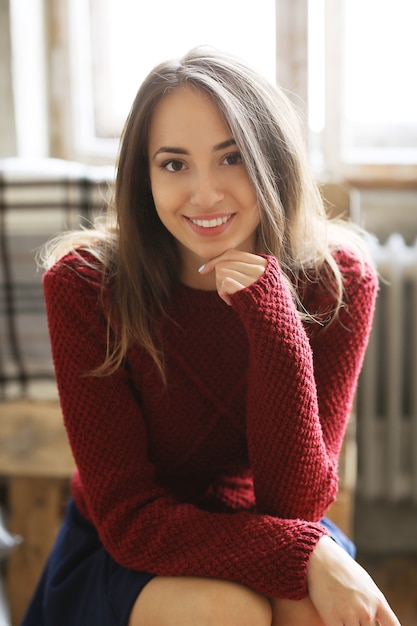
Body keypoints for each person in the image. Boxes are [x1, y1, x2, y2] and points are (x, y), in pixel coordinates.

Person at [22, 47, 400, 626]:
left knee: (313, 615)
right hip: (129, 545)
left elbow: (295, 504)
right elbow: (128, 518)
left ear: (272, 160)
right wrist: (309, 552)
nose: (205, 195)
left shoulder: (335, 280)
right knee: (227, 611)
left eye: (232, 158)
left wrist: (272, 318)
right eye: (174, 164)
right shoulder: (85, 285)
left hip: (269, 523)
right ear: (144, 177)